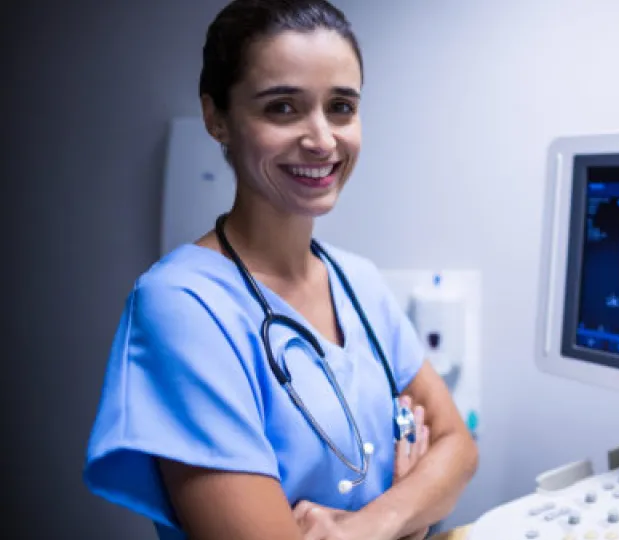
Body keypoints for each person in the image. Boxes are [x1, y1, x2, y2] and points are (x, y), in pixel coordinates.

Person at [82, 1, 479, 538]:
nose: (322, 140)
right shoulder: (182, 306)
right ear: (217, 118)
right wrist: (414, 510)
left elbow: (458, 448)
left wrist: (370, 525)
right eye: (283, 108)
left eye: (341, 107)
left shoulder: (358, 282)